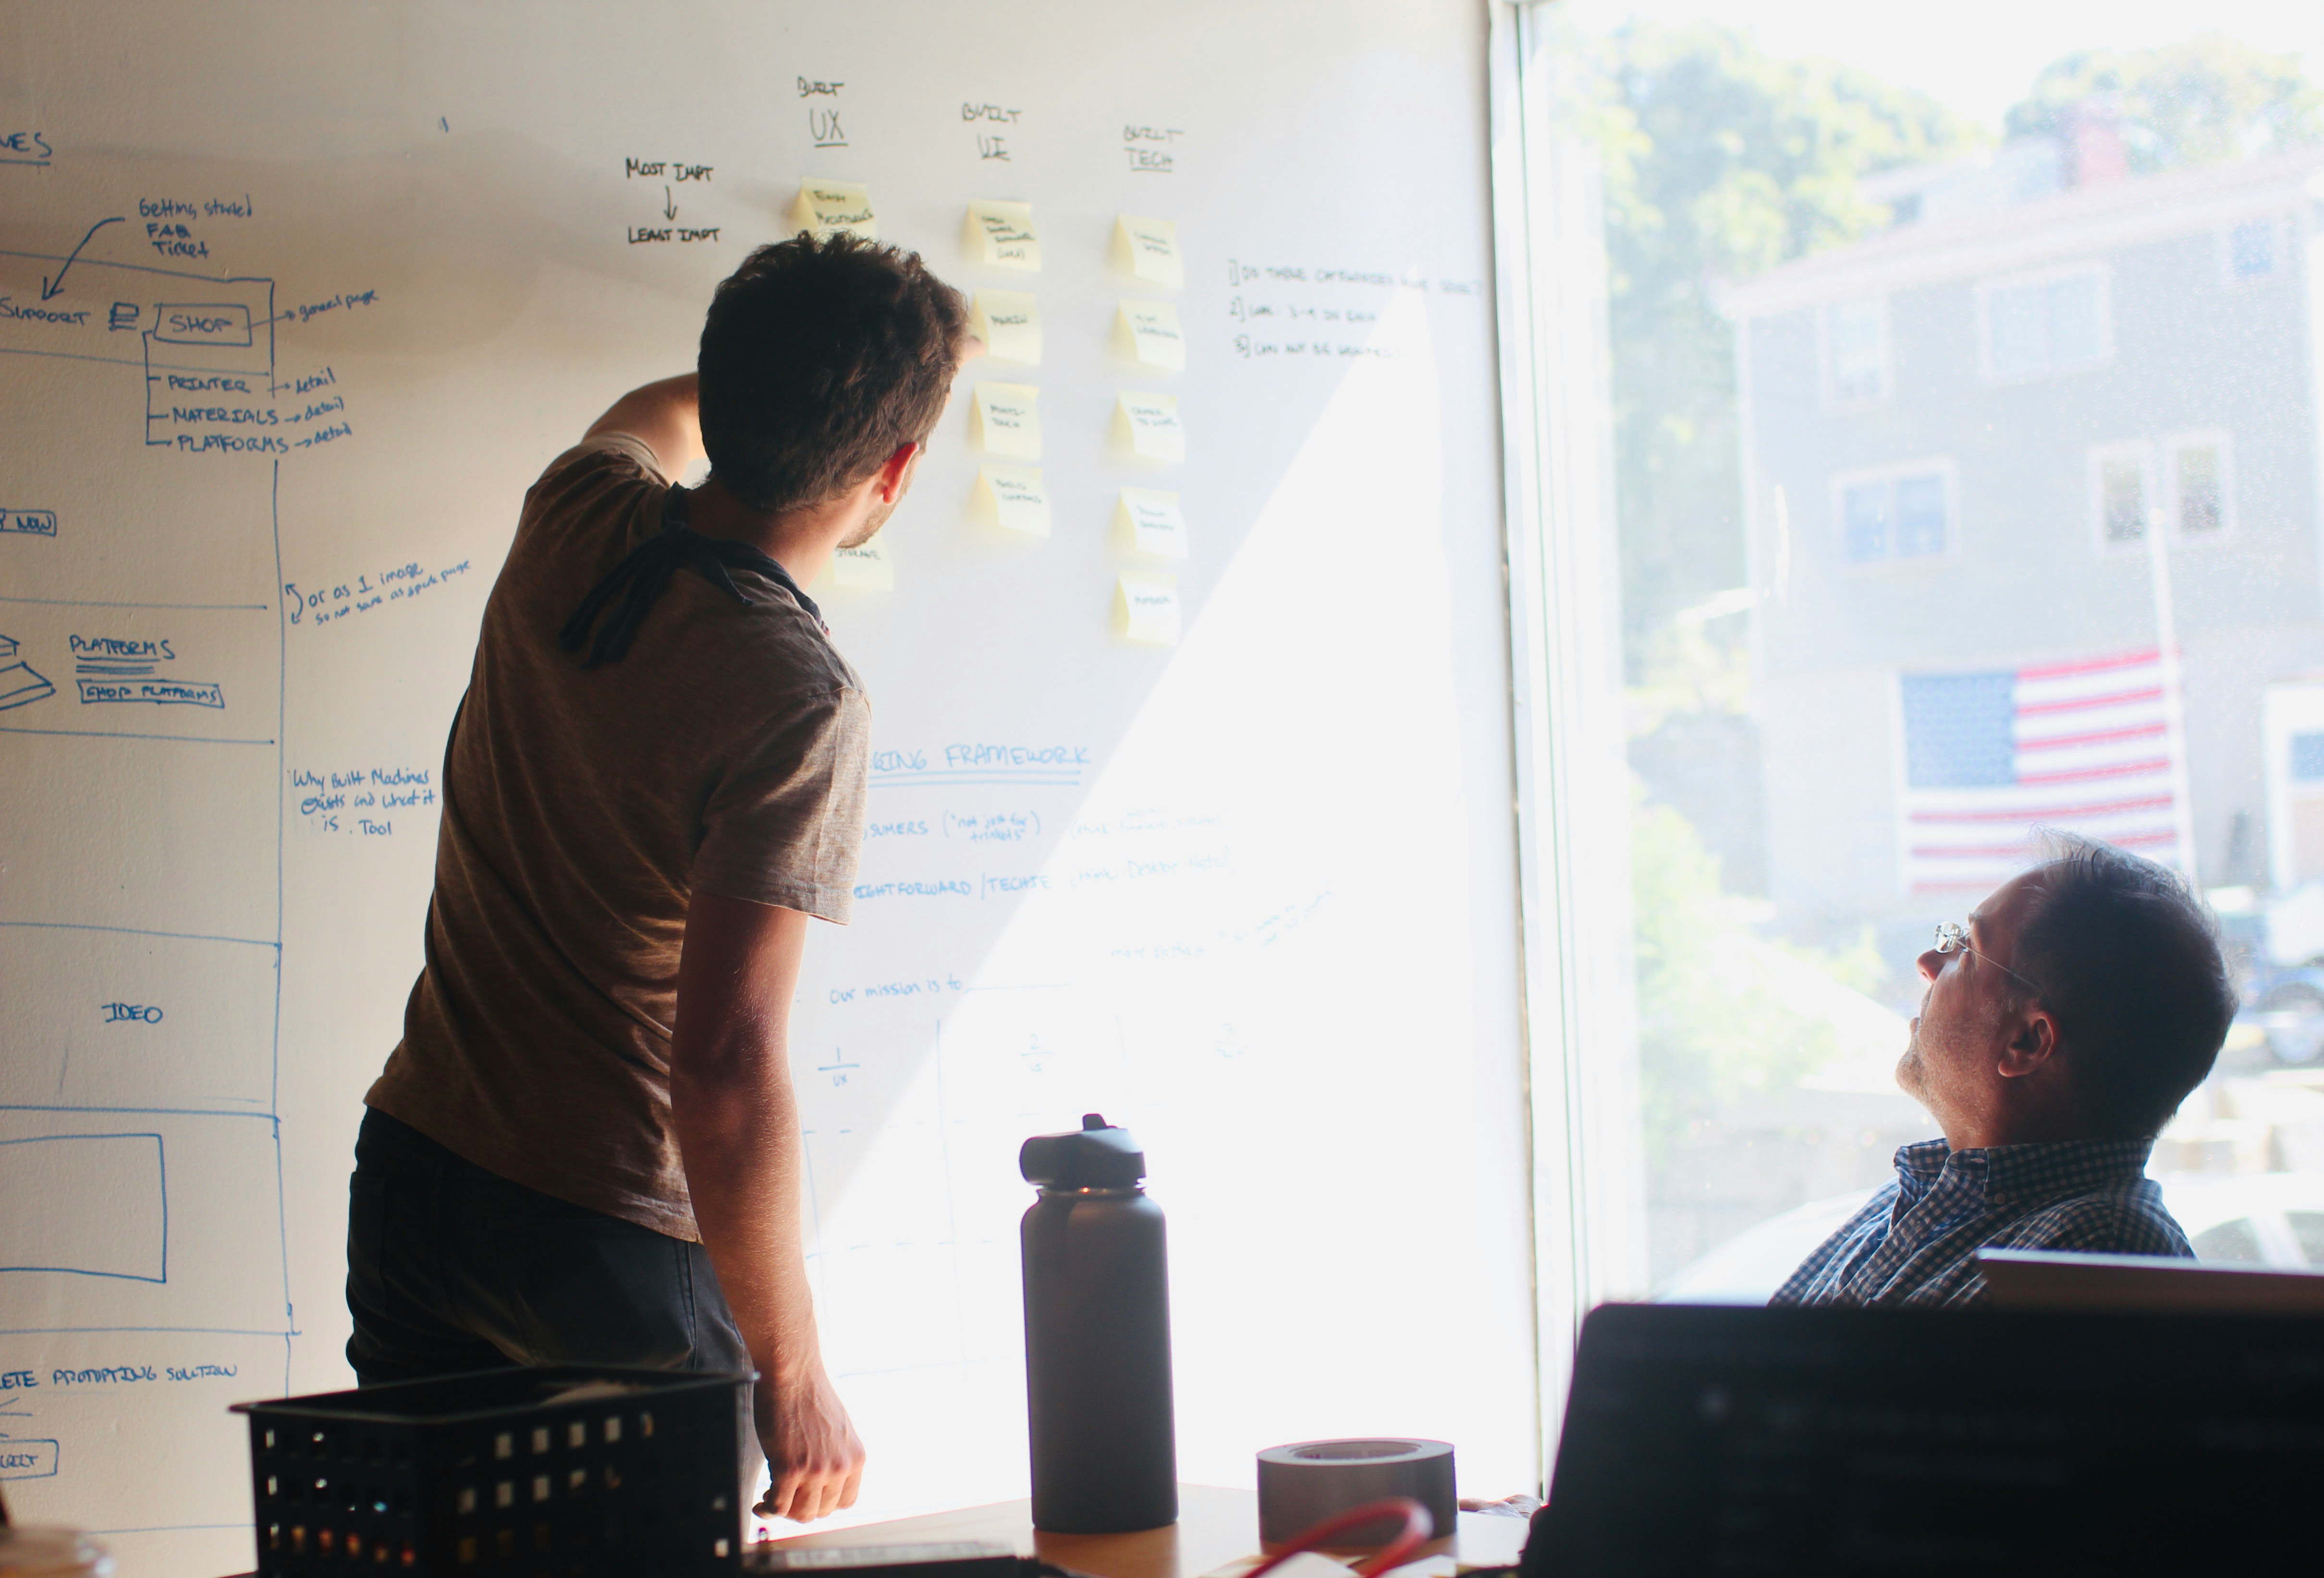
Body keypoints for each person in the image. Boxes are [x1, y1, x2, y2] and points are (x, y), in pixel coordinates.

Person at [345, 233, 972, 1523]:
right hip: (601, 1237)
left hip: (419, 1174)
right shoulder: (796, 698)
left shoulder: (575, 511)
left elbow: (652, 414)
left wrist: (747, 383)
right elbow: (727, 1062)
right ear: (894, 472)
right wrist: (793, 1371)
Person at [1772, 834, 2237, 1308]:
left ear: (2026, 1042)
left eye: (1967, 949)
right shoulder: (1920, 1200)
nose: (1928, 963)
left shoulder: (2097, 1250)